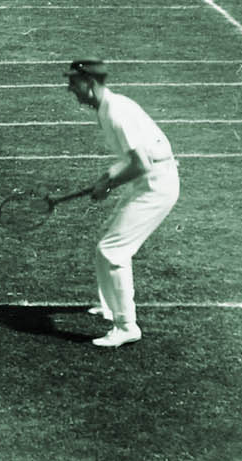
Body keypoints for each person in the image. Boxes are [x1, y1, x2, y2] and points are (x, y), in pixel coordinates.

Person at [70, 60, 179, 350]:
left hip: (157, 186)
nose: (70, 88)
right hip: (147, 181)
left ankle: (126, 326)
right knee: (107, 243)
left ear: (89, 83)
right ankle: (108, 306)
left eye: (73, 82)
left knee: (112, 250)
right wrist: (107, 177)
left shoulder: (116, 112)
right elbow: (131, 158)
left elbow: (142, 163)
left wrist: (108, 184)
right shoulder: (107, 109)